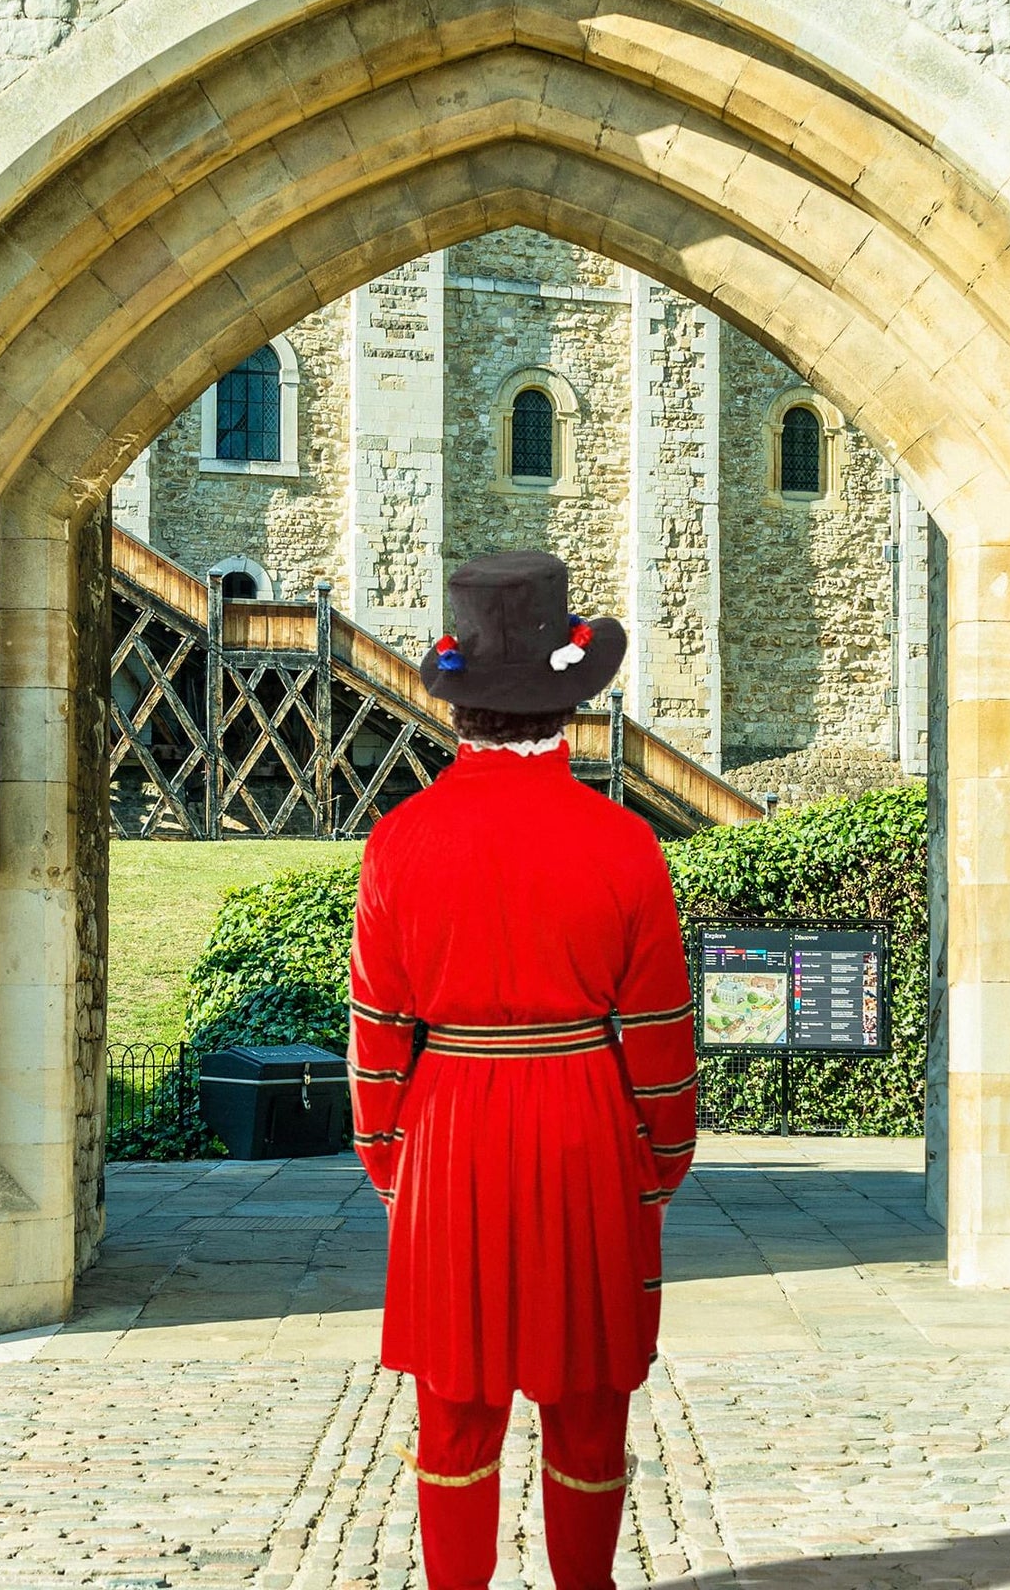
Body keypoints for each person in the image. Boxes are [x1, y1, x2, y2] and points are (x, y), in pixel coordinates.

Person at [348, 550, 698, 1590]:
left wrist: (387, 1158)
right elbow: (660, 1036)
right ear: (572, 703)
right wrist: (661, 1160)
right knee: (590, 1403)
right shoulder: (626, 841)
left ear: (460, 707)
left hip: (450, 1128)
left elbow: (377, 1027)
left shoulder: (399, 841)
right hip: (587, 1124)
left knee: (454, 1405)